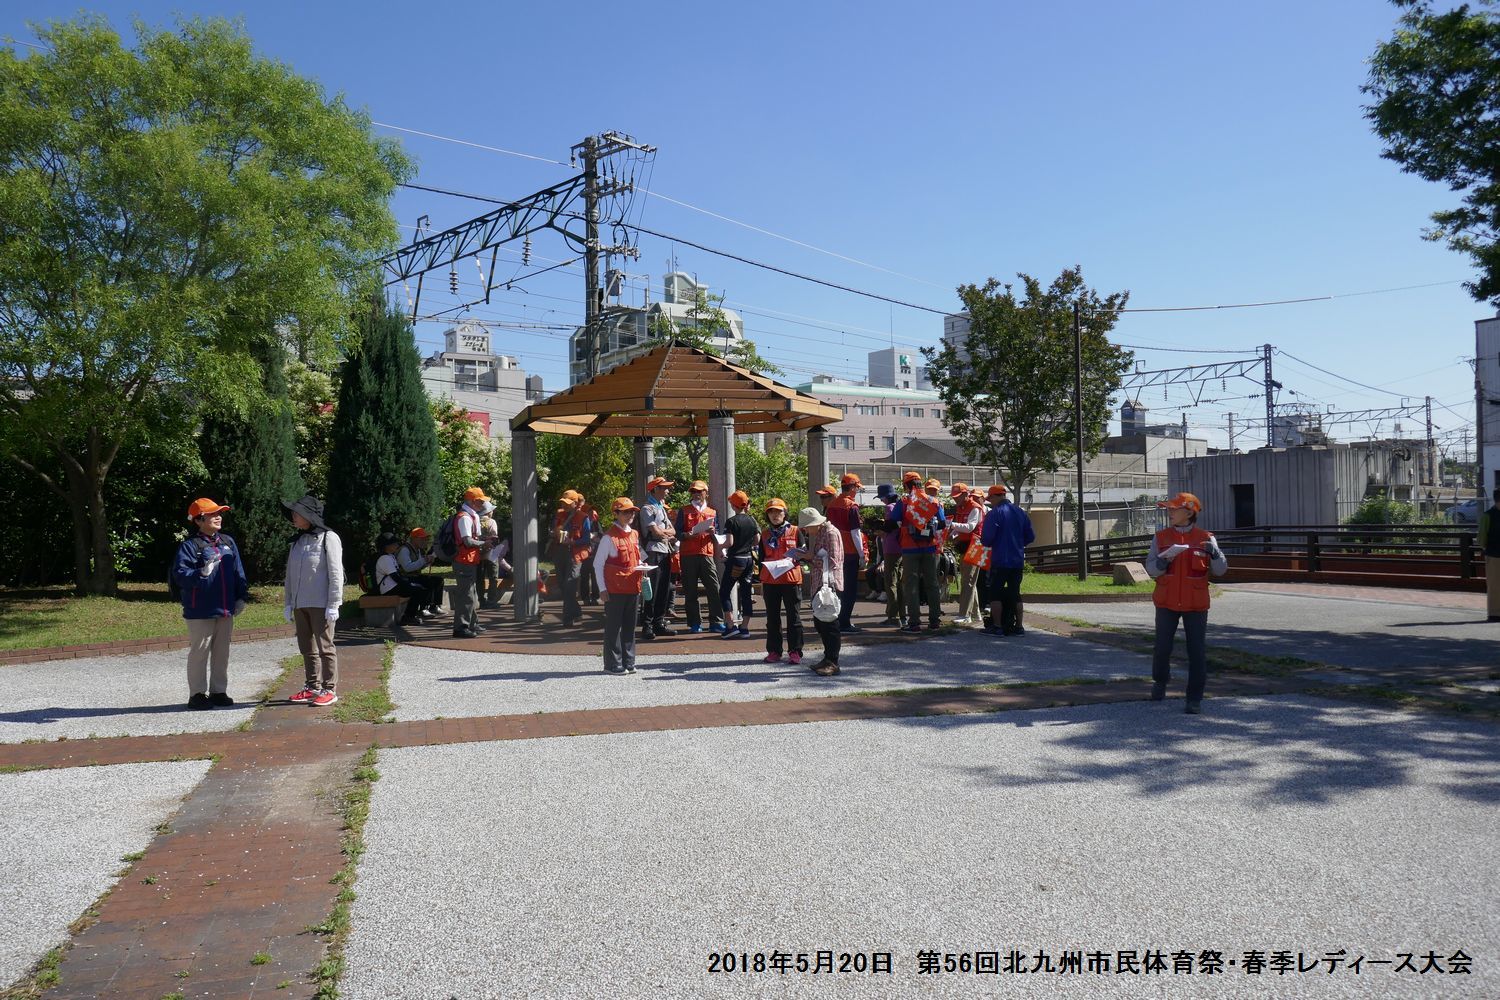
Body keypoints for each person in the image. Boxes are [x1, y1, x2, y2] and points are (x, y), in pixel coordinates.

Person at [1147, 492, 1229, 714]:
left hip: (1196, 604)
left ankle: (1194, 698)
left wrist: (1215, 554)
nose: (1170, 512)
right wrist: (1163, 562)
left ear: (1190, 512)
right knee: (1162, 647)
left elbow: (1221, 570)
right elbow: (1151, 569)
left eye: (1174, 509)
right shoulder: (1161, 537)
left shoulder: (1206, 538)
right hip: (1166, 602)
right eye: (1169, 509)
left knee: (1197, 651)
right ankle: (1160, 682)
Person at [174, 498, 250, 709]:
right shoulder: (190, 546)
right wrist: (200, 573)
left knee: (221, 652)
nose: (218, 517)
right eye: (212, 514)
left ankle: (218, 691)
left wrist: (241, 596)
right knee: (200, 652)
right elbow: (180, 575)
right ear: (199, 520)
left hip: (225, 608)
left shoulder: (227, 542)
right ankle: (197, 694)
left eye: (219, 513)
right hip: (200, 610)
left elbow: (238, 571)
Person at [282, 494, 344, 706]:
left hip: (321, 603)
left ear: (309, 515)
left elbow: (336, 573)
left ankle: (330, 688)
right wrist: (289, 602)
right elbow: (290, 573)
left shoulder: (329, 538)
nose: (293, 517)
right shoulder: (297, 542)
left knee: (325, 647)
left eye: (297, 513)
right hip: (301, 604)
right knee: (306, 647)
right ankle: (312, 686)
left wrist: (334, 603)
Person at [593, 498, 651, 674]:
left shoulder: (634, 534)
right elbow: (598, 564)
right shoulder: (608, 537)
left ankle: (628, 661)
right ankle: (612, 664)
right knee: (613, 627)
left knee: (629, 626)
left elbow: (637, 556)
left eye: (631, 511)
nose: (630, 515)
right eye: (625, 512)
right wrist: (602, 589)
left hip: (633, 587)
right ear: (616, 514)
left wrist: (643, 565)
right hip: (615, 589)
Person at [889, 471, 947, 633]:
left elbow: (893, 521)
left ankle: (914, 623)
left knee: (911, 585)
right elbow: (942, 524)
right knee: (932, 583)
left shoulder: (905, 501)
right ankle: (934, 620)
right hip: (930, 548)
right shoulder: (933, 500)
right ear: (921, 484)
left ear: (907, 485)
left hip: (909, 548)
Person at [980, 484, 1036, 637]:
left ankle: (997, 627)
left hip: (1000, 559)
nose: (990, 501)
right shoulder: (1020, 512)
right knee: (1015, 593)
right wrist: (1018, 543)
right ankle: (1018, 627)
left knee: (995, 593)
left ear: (996, 496)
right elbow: (1030, 536)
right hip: (1017, 560)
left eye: (990, 498)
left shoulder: (994, 513)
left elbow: (986, 539)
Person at [798, 506, 845, 676]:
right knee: (821, 623)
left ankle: (833, 661)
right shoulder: (822, 532)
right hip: (821, 582)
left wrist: (808, 557)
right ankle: (827, 658)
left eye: (807, 526)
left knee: (830, 624)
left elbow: (833, 561)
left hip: (830, 584)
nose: (806, 530)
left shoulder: (831, 533)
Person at [758, 498, 804, 665]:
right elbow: (761, 559)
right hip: (771, 580)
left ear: (785, 513)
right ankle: (774, 651)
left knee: (794, 617)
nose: (775, 514)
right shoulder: (764, 534)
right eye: (771, 511)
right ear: (767, 515)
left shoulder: (796, 531)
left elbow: (803, 553)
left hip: (791, 579)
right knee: (772, 618)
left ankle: (795, 651)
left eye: (779, 511)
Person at [675, 480, 724, 633]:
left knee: (714, 588)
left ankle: (716, 621)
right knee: (690, 590)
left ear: (706, 493)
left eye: (699, 491)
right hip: (688, 554)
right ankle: (694, 623)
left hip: (707, 553)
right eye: (694, 491)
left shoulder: (713, 512)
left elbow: (719, 533)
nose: (696, 494)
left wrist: (713, 532)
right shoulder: (684, 511)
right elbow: (677, 533)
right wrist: (686, 535)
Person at [638, 476, 677, 639]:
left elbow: (672, 531)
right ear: (655, 489)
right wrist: (666, 533)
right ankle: (647, 625)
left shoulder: (660, 506)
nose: (667, 491)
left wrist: (665, 533)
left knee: (664, 588)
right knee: (650, 590)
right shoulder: (647, 508)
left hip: (664, 551)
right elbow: (657, 532)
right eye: (664, 488)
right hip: (652, 552)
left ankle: (659, 623)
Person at [826, 473, 866, 634]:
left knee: (837, 587)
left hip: (835, 551)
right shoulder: (852, 507)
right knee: (849, 589)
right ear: (851, 488)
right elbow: (856, 533)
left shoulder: (832, 505)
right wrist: (862, 554)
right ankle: (844, 622)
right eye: (857, 487)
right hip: (849, 552)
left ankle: (836, 620)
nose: (857, 491)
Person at [718, 490, 759, 639]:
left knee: (724, 591)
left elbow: (730, 542)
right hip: (748, 560)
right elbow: (757, 541)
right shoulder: (752, 520)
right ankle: (745, 627)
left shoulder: (731, 521)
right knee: (746, 593)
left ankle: (730, 625)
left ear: (733, 505)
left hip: (736, 560)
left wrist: (720, 547)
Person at [450, 487, 490, 639]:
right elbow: (467, 541)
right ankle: (461, 627)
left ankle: (472, 624)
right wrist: (482, 544)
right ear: (473, 501)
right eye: (481, 501)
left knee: (471, 594)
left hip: (468, 561)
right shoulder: (465, 517)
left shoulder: (469, 515)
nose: (483, 504)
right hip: (463, 561)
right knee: (466, 596)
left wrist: (482, 543)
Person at [373, 532, 435, 625]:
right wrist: (409, 584)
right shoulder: (384, 558)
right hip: (388, 589)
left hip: (394, 586)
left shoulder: (390, 556)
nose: (397, 545)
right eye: (394, 544)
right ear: (386, 546)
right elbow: (395, 577)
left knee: (418, 589)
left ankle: (410, 615)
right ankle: (408, 617)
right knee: (416, 590)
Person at [551, 490, 590, 626]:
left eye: (568, 503)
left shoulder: (584, 517)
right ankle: (577, 611)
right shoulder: (558, 515)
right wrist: (555, 532)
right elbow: (553, 530)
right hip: (560, 552)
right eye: (563, 503)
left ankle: (567, 618)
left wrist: (572, 542)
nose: (565, 505)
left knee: (569, 584)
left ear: (575, 503)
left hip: (575, 554)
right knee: (562, 584)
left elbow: (586, 539)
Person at [949, 483, 984, 625]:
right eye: (954, 497)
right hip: (965, 547)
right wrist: (951, 534)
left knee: (968, 581)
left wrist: (952, 525)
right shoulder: (960, 507)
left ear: (965, 494)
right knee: (969, 581)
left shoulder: (975, 508)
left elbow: (970, 527)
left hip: (975, 547)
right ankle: (975, 615)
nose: (955, 499)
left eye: (957, 496)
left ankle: (964, 615)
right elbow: (961, 528)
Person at [396, 528, 445, 617]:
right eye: (422, 539)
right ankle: (423, 609)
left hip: (414, 575)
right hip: (405, 578)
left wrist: (427, 562)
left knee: (438, 580)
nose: (425, 541)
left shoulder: (417, 549)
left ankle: (434, 606)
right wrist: (424, 560)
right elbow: (407, 568)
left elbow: (418, 566)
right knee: (428, 582)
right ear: (414, 539)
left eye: (425, 539)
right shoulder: (404, 550)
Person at [877, 483, 905, 627]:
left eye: (881, 498)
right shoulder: (901, 506)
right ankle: (902, 615)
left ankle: (893, 617)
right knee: (899, 583)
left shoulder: (889, 508)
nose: (881, 501)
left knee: (890, 583)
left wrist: (879, 530)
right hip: (901, 547)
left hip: (891, 548)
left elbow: (888, 528)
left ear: (886, 497)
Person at [1480, 487, 1500, 622]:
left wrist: (1484, 547)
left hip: (1493, 553)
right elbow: (1481, 537)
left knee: (1494, 585)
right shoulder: (1487, 515)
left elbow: (1481, 538)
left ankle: (1494, 613)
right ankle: (1493, 613)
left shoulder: (1487, 515)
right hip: (1493, 554)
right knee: (1494, 585)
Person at [578, 500, 602, 607]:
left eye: (592, 511)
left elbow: (601, 535)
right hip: (584, 553)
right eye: (589, 511)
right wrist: (592, 536)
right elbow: (580, 537)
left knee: (595, 576)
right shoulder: (581, 523)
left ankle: (595, 597)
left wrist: (594, 536)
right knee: (584, 576)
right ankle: (585, 597)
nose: (592, 513)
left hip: (595, 553)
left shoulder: (596, 523)